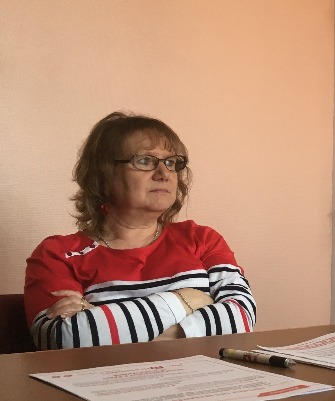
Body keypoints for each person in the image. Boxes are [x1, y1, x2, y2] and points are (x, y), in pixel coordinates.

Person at [24, 111, 257, 350]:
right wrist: (187, 300)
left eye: (171, 163)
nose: (164, 174)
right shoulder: (57, 254)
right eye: (145, 161)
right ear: (103, 175)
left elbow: (241, 317)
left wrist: (107, 321)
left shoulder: (201, 239)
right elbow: (66, 340)